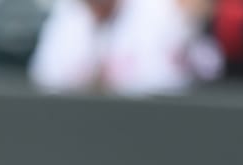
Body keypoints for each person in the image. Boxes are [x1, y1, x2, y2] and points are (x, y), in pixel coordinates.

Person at [28, 0, 223, 96]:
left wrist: (192, 24)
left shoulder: (159, 12)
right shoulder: (67, 17)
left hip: (152, 133)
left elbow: (205, 69)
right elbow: (44, 82)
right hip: (82, 134)